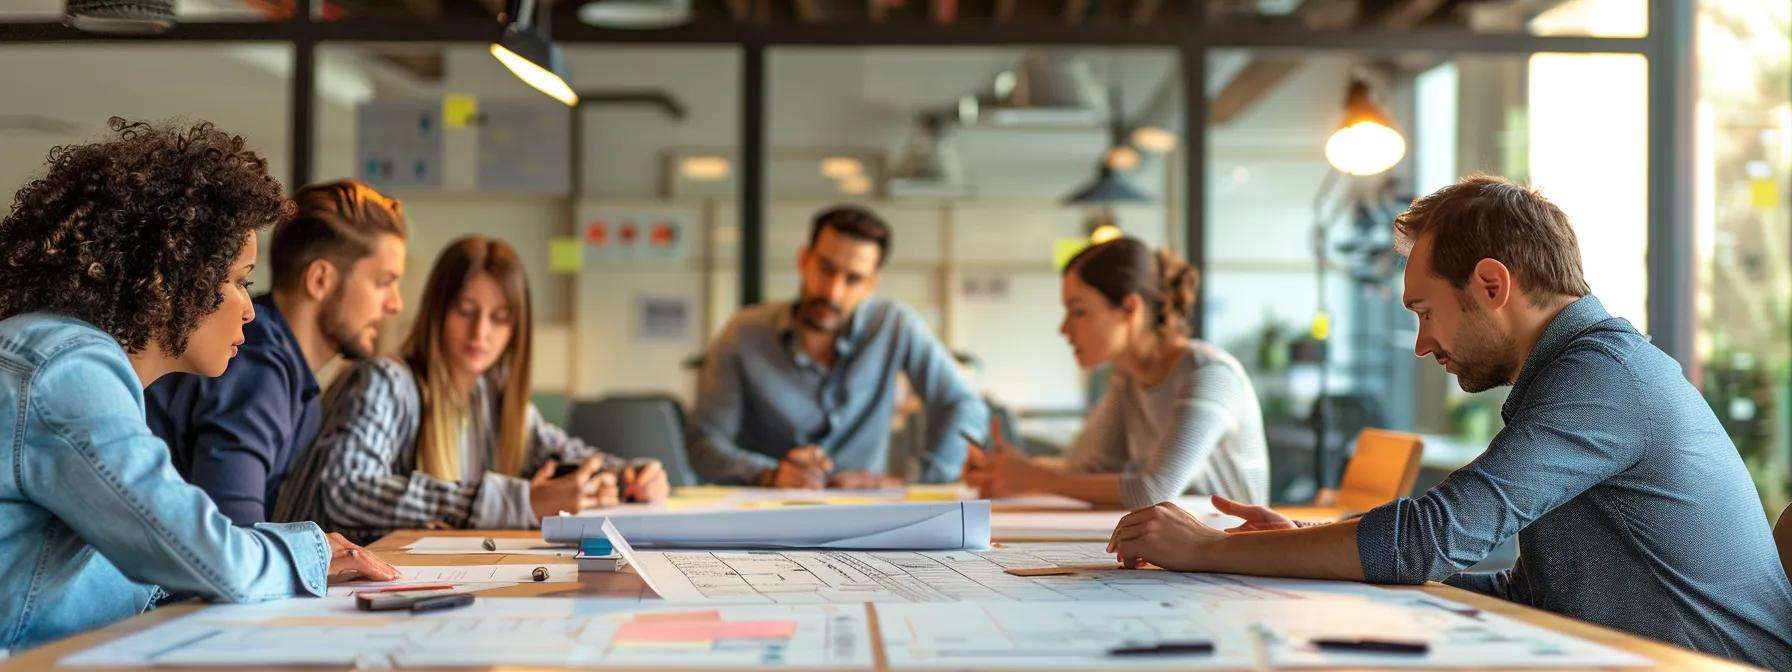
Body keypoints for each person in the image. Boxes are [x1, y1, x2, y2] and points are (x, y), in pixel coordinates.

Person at [1106, 175, 1792, 669]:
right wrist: (1308, 544)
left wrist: (1206, 550)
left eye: (1425, 311)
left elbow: (1431, 538)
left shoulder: (1606, 379)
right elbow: (1528, 591)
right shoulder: (1575, 376)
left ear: (1493, 286)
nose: (1420, 343)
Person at [0, 118, 396, 652]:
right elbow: (203, 557)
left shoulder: (71, 359)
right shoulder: (70, 369)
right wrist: (313, 554)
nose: (251, 309)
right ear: (170, 278)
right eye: (238, 280)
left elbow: (148, 567)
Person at [275, 236, 669, 544]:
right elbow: (347, 490)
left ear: (516, 331)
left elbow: (570, 456)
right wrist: (518, 502)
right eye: (466, 311)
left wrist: (630, 474)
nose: (481, 333)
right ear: (437, 311)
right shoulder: (386, 380)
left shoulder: (491, 397)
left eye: (499, 318)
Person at [145, 179, 407, 525]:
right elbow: (237, 539)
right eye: (383, 282)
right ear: (320, 280)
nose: (395, 304)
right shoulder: (256, 363)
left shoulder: (290, 377)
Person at [687, 206, 987, 489]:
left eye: (853, 278)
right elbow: (704, 445)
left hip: (868, 513)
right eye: (826, 269)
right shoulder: (745, 333)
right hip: (766, 510)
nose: (833, 291)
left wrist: (912, 479)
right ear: (804, 260)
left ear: (871, 284)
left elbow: (965, 405)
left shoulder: (893, 325)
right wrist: (771, 474)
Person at [963, 237, 1269, 508]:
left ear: (1129, 308)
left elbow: (1154, 490)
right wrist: (1009, 472)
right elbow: (1087, 469)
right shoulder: (1128, 377)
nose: (1064, 328)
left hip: (1236, 557)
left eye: (1079, 311)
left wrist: (1031, 477)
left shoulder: (1210, 375)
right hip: (1184, 556)